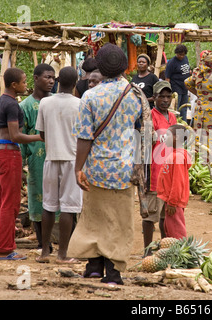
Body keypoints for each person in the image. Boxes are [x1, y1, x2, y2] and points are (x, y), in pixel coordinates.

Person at [67, 43, 150, 284]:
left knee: (94, 218)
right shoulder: (136, 95)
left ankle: (94, 266)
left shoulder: (90, 96)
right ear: (125, 66)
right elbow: (142, 133)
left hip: (96, 168)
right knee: (120, 222)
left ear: (100, 68)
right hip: (125, 169)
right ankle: (113, 273)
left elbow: (85, 137)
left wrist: (78, 168)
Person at [0, 67, 43, 260]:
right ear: (14, 85)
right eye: (24, 81)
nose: (26, 84)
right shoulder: (12, 104)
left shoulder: (2, 100)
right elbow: (15, 136)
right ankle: (4, 249)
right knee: (10, 204)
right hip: (8, 153)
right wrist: (40, 137)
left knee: (1, 202)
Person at [35, 66, 83, 264]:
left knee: (48, 206)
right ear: (75, 83)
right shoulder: (80, 104)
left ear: (58, 80)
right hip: (72, 159)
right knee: (68, 209)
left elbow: (42, 134)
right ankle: (62, 254)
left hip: (51, 158)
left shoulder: (45, 103)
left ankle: (45, 252)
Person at [20, 63, 55, 253]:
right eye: (47, 77)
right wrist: (21, 165)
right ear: (35, 79)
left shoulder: (57, 101)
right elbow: (20, 137)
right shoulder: (25, 106)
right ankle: (43, 243)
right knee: (37, 199)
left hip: (59, 157)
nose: (51, 81)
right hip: (37, 161)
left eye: (53, 78)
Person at [141, 81, 177, 255]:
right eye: (161, 96)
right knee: (150, 216)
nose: (165, 100)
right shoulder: (150, 117)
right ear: (154, 97)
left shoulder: (173, 117)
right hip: (154, 173)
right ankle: (147, 251)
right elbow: (145, 143)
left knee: (165, 218)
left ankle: (164, 250)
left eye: (168, 96)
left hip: (169, 173)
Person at [185, 50, 212, 160]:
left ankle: (198, 159)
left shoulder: (198, 73)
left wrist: (199, 95)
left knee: (199, 134)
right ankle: (211, 160)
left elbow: (187, 83)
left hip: (200, 110)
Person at [157, 124, 192, 239]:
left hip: (174, 202)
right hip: (171, 200)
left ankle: (181, 252)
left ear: (176, 138)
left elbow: (178, 182)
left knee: (176, 232)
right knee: (170, 228)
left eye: (167, 135)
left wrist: (172, 202)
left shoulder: (178, 157)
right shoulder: (175, 155)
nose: (164, 138)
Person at [165, 44, 190, 122]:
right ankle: (175, 124)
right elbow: (167, 77)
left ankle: (184, 124)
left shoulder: (185, 58)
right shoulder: (172, 62)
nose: (181, 56)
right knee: (176, 108)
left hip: (185, 88)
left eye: (183, 54)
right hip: (176, 88)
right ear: (176, 53)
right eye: (179, 54)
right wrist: (168, 90)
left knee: (184, 108)